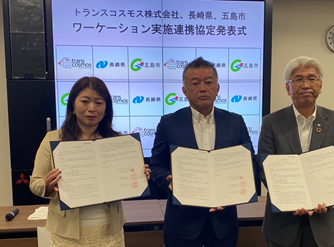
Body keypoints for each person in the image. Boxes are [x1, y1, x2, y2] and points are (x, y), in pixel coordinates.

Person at [30, 76, 151, 246]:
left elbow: (127, 181)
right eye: (85, 101)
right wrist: (49, 185)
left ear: (106, 108)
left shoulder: (119, 143)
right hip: (68, 234)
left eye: (99, 103)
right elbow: (35, 183)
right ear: (72, 104)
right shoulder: (53, 139)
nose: (92, 108)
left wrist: (139, 176)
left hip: (110, 232)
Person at [150, 57, 257, 247]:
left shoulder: (235, 122)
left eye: (208, 82)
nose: (203, 87)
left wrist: (235, 192)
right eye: (195, 83)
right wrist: (168, 179)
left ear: (217, 88)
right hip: (182, 224)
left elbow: (249, 165)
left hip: (224, 223)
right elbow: (157, 165)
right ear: (185, 91)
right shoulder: (169, 123)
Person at [258, 56, 334, 247]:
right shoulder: (272, 122)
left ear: (320, 86)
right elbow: (264, 169)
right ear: (288, 88)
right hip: (283, 226)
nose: (306, 84)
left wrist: (328, 198)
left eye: (312, 79)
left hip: (324, 225)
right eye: (298, 79)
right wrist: (291, 198)